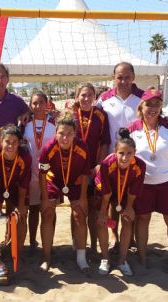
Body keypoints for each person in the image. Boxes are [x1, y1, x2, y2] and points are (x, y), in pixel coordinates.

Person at [128, 89, 168, 268]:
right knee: (143, 219)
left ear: (161, 106)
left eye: (157, 104)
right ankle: (142, 256)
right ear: (141, 106)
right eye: (149, 104)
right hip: (142, 183)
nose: (153, 108)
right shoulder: (132, 128)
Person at [38, 115, 90, 273]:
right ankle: (46, 257)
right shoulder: (49, 147)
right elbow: (42, 173)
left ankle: (81, 258)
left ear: (75, 134)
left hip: (74, 181)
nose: (65, 137)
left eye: (69, 133)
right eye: (61, 133)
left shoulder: (82, 147)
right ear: (55, 133)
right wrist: (45, 198)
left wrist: (82, 198)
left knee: (79, 214)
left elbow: (85, 174)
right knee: (47, 213)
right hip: (53, 179)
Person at [95, 128, 145, 276]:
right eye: (121, 153)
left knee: (128, 220)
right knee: (102, 221)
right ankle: (105, 258)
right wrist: (103, 212)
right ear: (115, 152)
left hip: (125, 194)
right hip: (105, 191)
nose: (125, 158)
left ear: (134, 153)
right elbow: (106, 193)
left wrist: (129, 208)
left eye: (129, 153)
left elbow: (133, 191)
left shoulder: (140, 166)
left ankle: (122, 260)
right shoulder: (106, 164)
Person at [71, 83, 110, 253]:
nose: (86, 99)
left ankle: (94, 245)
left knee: (94, 208)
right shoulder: (71, 114)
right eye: (83, 95)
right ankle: (76, 244)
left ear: (95, 97)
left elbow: (105, 142)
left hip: (94, 169)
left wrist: (99, 164)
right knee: (77, 209)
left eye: (90, 95)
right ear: (77, 97)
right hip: (74, 170)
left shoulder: (101, 115)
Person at [0, 124, 31, 252]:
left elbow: (23, 185)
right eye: (7, 142)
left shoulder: (25, 156)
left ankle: (17, 251)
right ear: (1, 141)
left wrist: (21, 206)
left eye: (15, 142)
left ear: (20, 143)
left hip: (16, 187)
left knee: (20, 216)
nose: (10, 146)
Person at [23, 91, 57, 251]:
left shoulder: (53, 124)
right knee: (34, 208)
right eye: (34, 103)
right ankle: (32, 242)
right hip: (31, 172)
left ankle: (48, 242)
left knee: (50, 208)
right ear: (30, 105)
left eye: (41, 103)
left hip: (49, 173)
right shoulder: (24, 124)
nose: (38, 106)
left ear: (47, 104)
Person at [96, 62, 143, 153]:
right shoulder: (104, 98)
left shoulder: (144, 98)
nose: (123, 81)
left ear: (133, 77)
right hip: (111, 156)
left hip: (138, 155)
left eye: (127, 77)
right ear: (113, 77)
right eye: (120, 77)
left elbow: (157, 116)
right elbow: (91, 115)